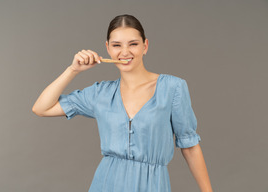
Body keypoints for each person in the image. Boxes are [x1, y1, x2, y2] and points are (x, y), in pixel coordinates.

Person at [32, 14, 213, 192]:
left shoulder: (173, 88)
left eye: (133, 44)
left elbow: (190, 147)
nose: (125, 52)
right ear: (108, 48)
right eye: (116, 45)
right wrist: (73, 70)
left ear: (145, 46)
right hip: (106, 183)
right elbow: (41, 108)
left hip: (152, 185)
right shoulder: (100, 93)